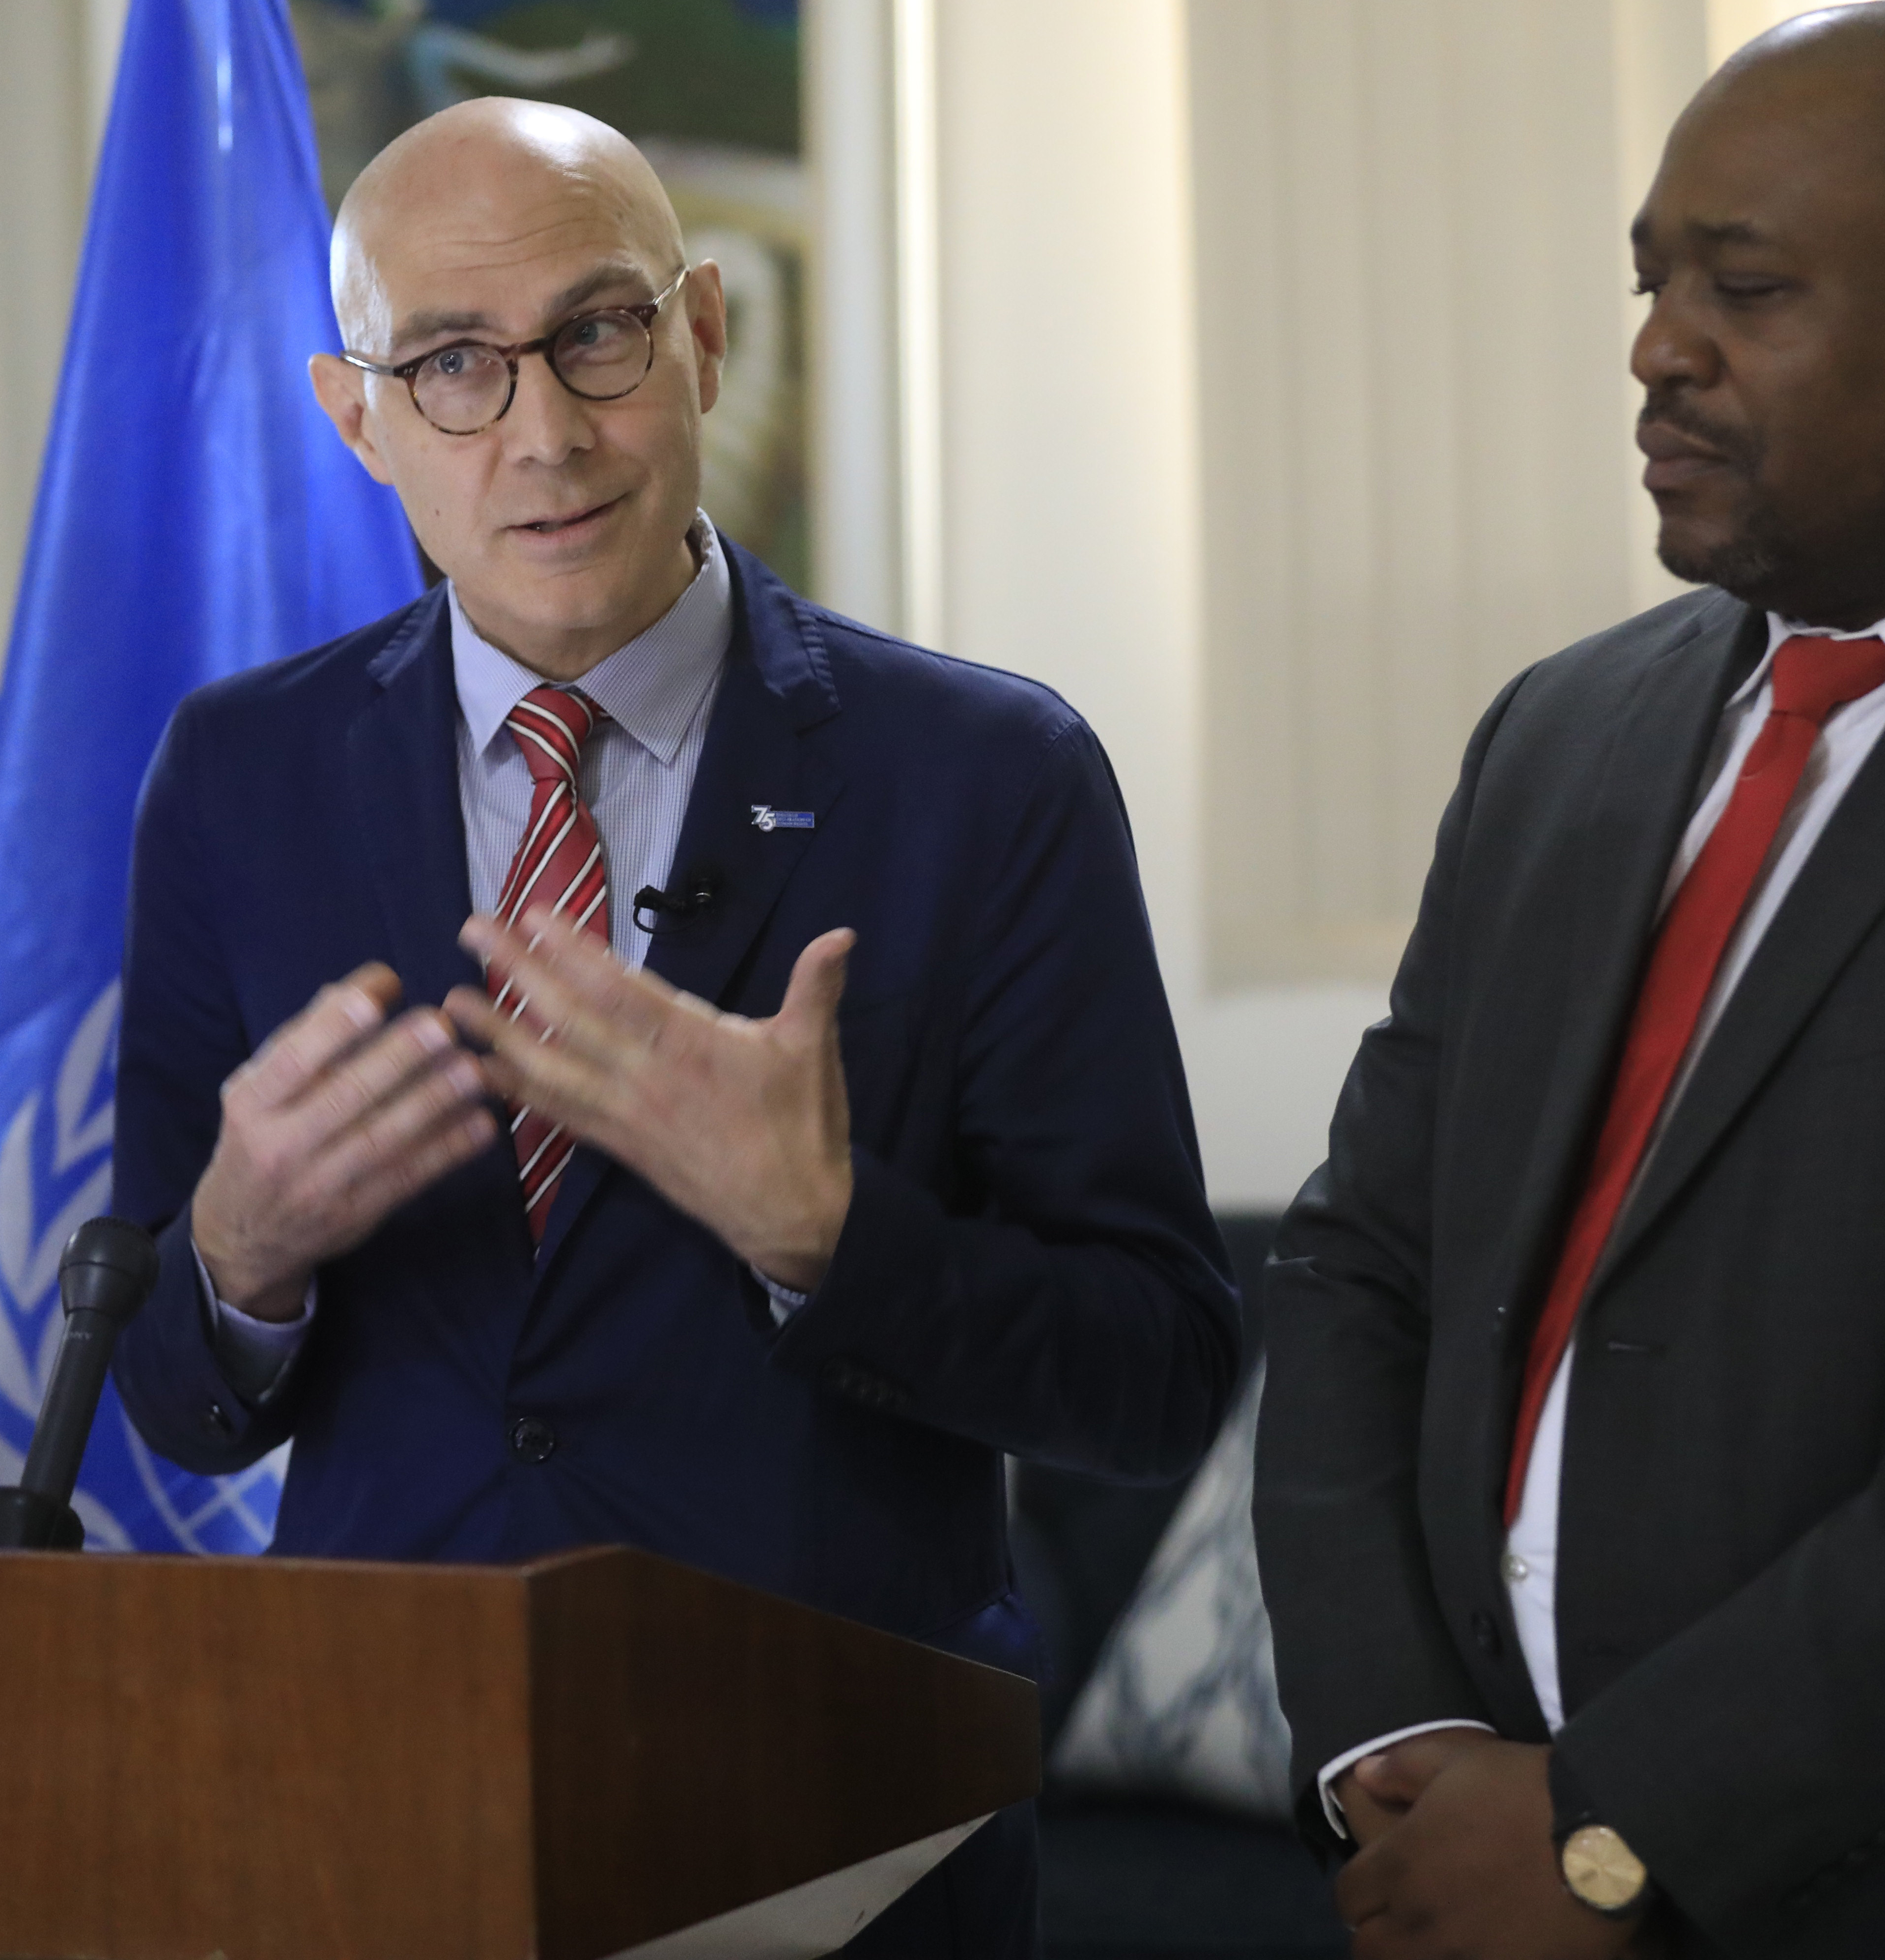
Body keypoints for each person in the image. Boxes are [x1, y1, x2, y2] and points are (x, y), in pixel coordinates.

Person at [106, 97, 1238, 1955]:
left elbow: (1160, 1371)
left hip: (839, 1826)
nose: (545, 431)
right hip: (377, 1809)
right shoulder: (240, 778)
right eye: (454, 366)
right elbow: (167, 1387)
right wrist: (241, 1254)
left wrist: (829, 1238)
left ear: (703, 334)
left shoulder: (987, 777)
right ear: (359, 419)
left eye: (599, 334)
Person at [1252, 1, 1885, 1959]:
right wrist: (1393, 1739)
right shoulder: (1557, 737)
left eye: (1746, 288)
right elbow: (1357, 1265)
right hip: (1471, 1871)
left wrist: (1616, 1831)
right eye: (1651, 281)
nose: (1658, 347)